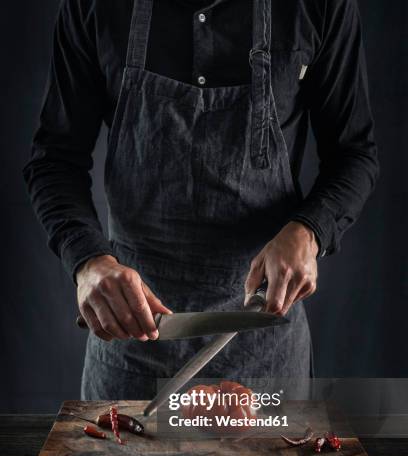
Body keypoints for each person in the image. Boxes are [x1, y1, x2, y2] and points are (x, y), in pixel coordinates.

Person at [23, 0, 379, 400]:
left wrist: (309, 230)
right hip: (131, 348)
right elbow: (53, 161)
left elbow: (354, 154)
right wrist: (89, 262)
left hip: (263, 346)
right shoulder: (92, 7)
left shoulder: (320, 7)